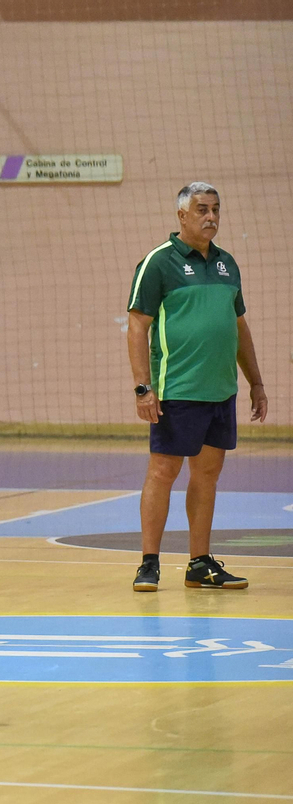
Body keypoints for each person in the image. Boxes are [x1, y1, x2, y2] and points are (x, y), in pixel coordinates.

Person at [126, 182, 267, 592]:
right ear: (182, 216)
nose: (211, 217)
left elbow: (238, 325)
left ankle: (200, 563)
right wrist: (142, 388)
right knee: (163, 471)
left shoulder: (228, 264)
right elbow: (138, 324)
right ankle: (148, 563)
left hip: (221, 390)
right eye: (202, 209)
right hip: (177, 389)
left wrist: (255, 381)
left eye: (216, 209)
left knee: (207, 475)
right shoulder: (158, 263)